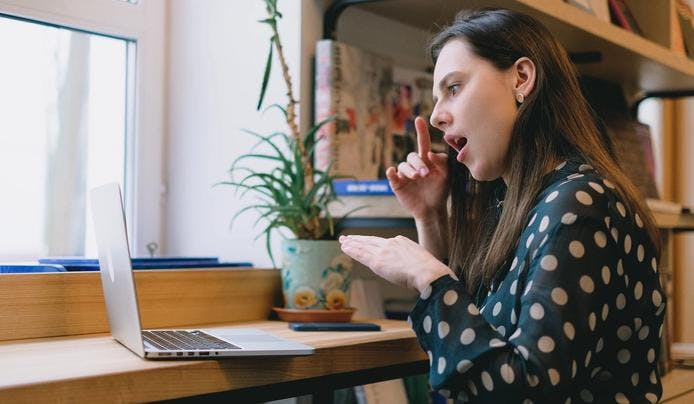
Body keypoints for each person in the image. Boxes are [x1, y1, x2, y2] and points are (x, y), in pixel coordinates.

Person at [338, 8, 666, 403]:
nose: (437, 115)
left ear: (521, 78)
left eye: (454, 88)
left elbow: (523, 390)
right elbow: (476, 344)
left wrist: (428, 277)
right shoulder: (522, 205)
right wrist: (429, 216)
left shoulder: (579, 205)